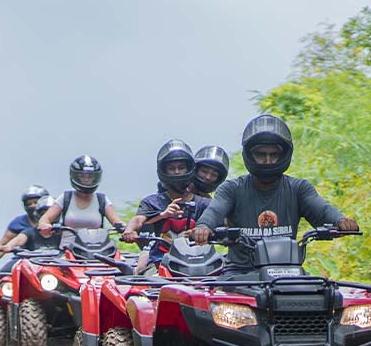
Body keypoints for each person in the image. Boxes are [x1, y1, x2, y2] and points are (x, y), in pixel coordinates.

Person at [193, 114, 357, 263]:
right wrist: (204, 227)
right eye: (261, 154)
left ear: (284, 155)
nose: (268, 160)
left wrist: (340, 220)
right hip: (240, 273)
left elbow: (321, 209)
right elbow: (214, 211)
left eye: (274, 154)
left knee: (324, 294)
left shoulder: (298, 188)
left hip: (288, 272)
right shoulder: (232, 189)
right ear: (250, 156)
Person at [122, 141, 208, 267]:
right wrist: (129, 230)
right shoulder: (152, 202)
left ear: (189, 169)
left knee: (221, 284)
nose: (177, 172)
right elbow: (138, 219)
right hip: (159, 263)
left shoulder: (204, 204)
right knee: (146, 280)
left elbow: (220, 220)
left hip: (200, 265)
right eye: (172, 168)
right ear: (164, 171)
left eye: (181, 167)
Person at [37, 155, 124, 241]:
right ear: (75, 176)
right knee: (62, 256)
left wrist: (127, 230)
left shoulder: (102, 200)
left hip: (98, 249)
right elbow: (45, 219)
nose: (86, 180)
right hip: (68, 250)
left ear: (96, 177)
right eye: (82, 176)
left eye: (90, 176)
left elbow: (118, 222)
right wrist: (45, 225)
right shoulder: (66, 197)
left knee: (120, 256)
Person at [0, 195, 62, 271]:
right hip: (31, 265)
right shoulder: (30, 232)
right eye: (43, 214)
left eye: (50, 215)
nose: (46, 218)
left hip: (57, 266)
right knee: (4, 275)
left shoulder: (62, 232)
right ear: (38, 215)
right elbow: (19, 239)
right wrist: (9, 246)